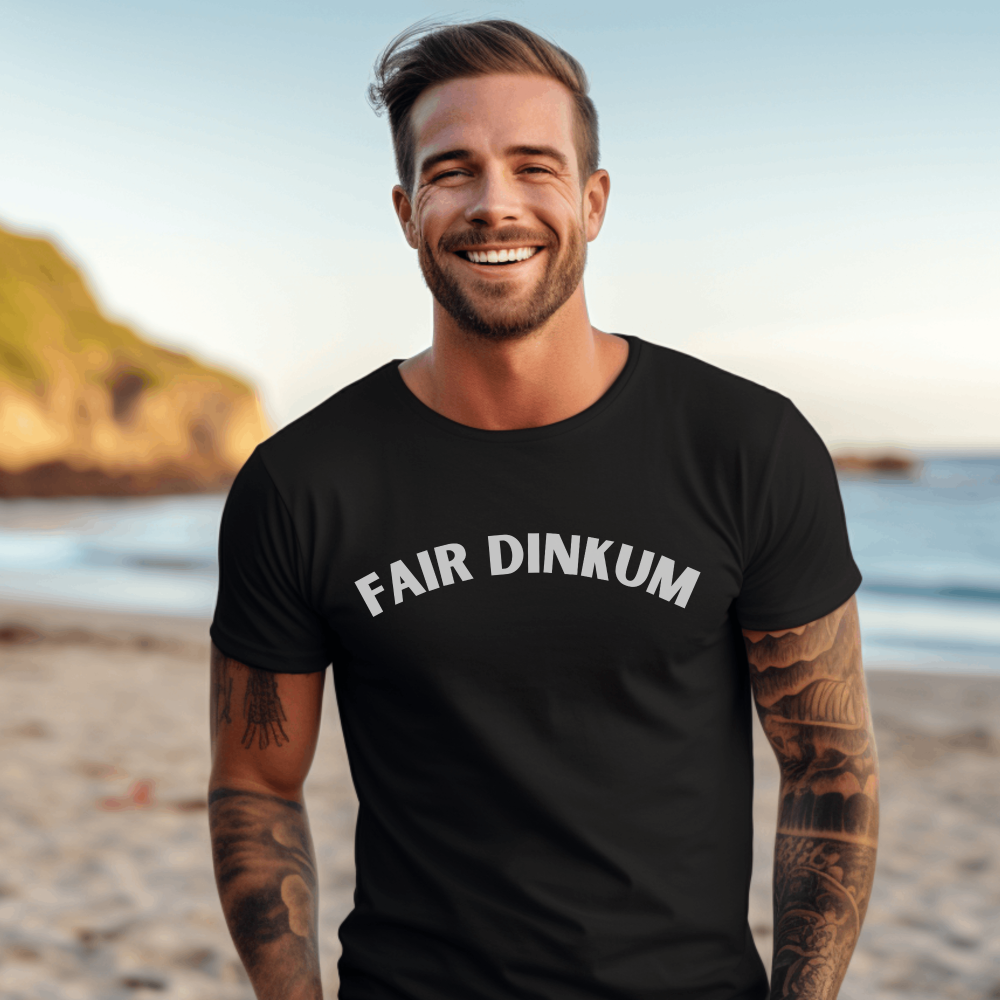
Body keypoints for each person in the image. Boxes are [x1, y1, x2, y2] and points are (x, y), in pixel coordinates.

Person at [208, 19, 878, 1000]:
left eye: (533, 166)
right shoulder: (301, 480)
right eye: (452, 171)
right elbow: (255, 784)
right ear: (405, 210)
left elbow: (826, 763)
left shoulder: (747, 446)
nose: (494, 204)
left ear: (592, 200)